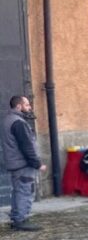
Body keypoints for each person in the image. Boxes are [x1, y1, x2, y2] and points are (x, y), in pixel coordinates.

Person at [3, 96, 46, 231]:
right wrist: (37, 164)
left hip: (15, 163)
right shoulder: (18, 122)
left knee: (18, 191)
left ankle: (17, 218)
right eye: (27, 105)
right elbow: (26, 146)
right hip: (23, 164)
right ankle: (21, 220)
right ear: (19, 106)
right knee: (25, 191)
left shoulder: (8, 119)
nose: (30, 107)